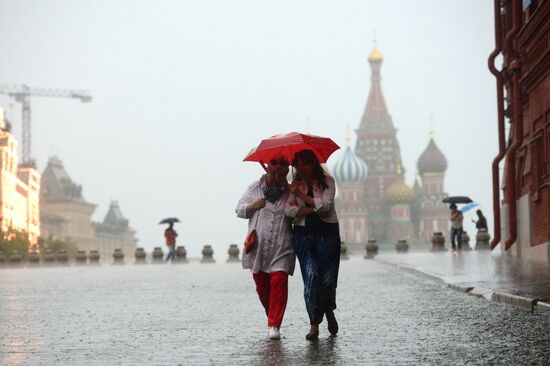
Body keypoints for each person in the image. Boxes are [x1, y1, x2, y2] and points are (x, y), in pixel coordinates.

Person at [235, 157, 295, 341]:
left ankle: (274, 325)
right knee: (262, 288)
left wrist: (294, 199)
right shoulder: (255, 188)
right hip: (258, 248)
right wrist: (254, 205)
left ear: (286, 174)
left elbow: (296, 214)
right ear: (267, 170)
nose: (276, 178)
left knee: (279, 282)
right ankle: (273, 315)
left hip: (281, 246)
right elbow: (239, 210)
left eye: (280, 174)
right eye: (273, 173)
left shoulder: (291, 191)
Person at [285, 149, 340, 341]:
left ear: (312, 164)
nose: (300, 168)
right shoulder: (293, 186)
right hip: (303, 236)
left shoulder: (328, 181)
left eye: (303, 163)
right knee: (310, 276)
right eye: (297, 164)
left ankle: (329, 311)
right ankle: (314, 324)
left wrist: (303, 197)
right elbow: (290, 212)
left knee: (327, 280)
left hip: (327, 235)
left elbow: (326, 207)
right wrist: (310, 209)